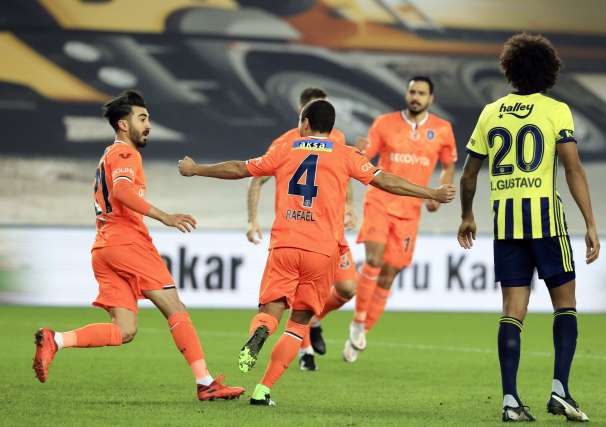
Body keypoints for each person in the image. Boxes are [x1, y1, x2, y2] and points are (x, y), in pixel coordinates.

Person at [178, 99, 455, 406]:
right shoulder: (346, 154)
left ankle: (261, 332)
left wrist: (196, 169)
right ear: (331, 127)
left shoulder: (285, 149)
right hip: (322, 251)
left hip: (285, 244)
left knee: (270, 311)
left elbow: (239, 169)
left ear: (305, 123)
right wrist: (430, 192)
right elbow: (385, 181)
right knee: (298, 324)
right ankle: (263, 390)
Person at [32, 90, 244, 401]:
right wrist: (165, 216)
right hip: (127, 242)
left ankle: (56, 340)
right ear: (123, 124)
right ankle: (205, 382)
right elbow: (122, 191)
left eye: (148, 119)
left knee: (124, 330)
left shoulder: (108, 154)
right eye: (142, 119)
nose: (148, 125)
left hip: (104, 248)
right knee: (176, 309)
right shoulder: (125, 154)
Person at [457, 33, 600, 422]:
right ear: (549, 71)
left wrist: (467, 215)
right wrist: (590, 222)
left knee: (512, 312)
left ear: (509, 69)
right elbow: (573, 168)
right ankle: (560, 391)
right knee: (565, 305)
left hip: (506, 225)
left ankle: (509, 400)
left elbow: (468, 175)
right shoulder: (556, 111)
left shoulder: (490, 112)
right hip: (546, 223)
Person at [344, 76, 457, 362]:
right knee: (374, 259)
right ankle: (358, 320)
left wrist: (438, 191)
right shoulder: (384, 123)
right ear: (407, 94)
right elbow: (364, 159)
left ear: (430, 98)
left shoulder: (442, 129)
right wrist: (359, 151)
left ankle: (362, 330)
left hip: (410, 211)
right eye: (412, 91)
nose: (415, 97)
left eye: (421, 93)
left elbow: (448, 165)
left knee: (389, 274)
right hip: (380, 202)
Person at [246, 87, 358, 371]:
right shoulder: (284, 143)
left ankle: (313, 322)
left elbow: (346, 174)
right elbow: (257, 178)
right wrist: (252, 219)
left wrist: (350, 206)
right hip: (299, 231)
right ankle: (305, 352)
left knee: (347, 288)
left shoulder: (337, 139)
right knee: (299, 300)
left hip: (331, 232)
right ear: (302, 112)